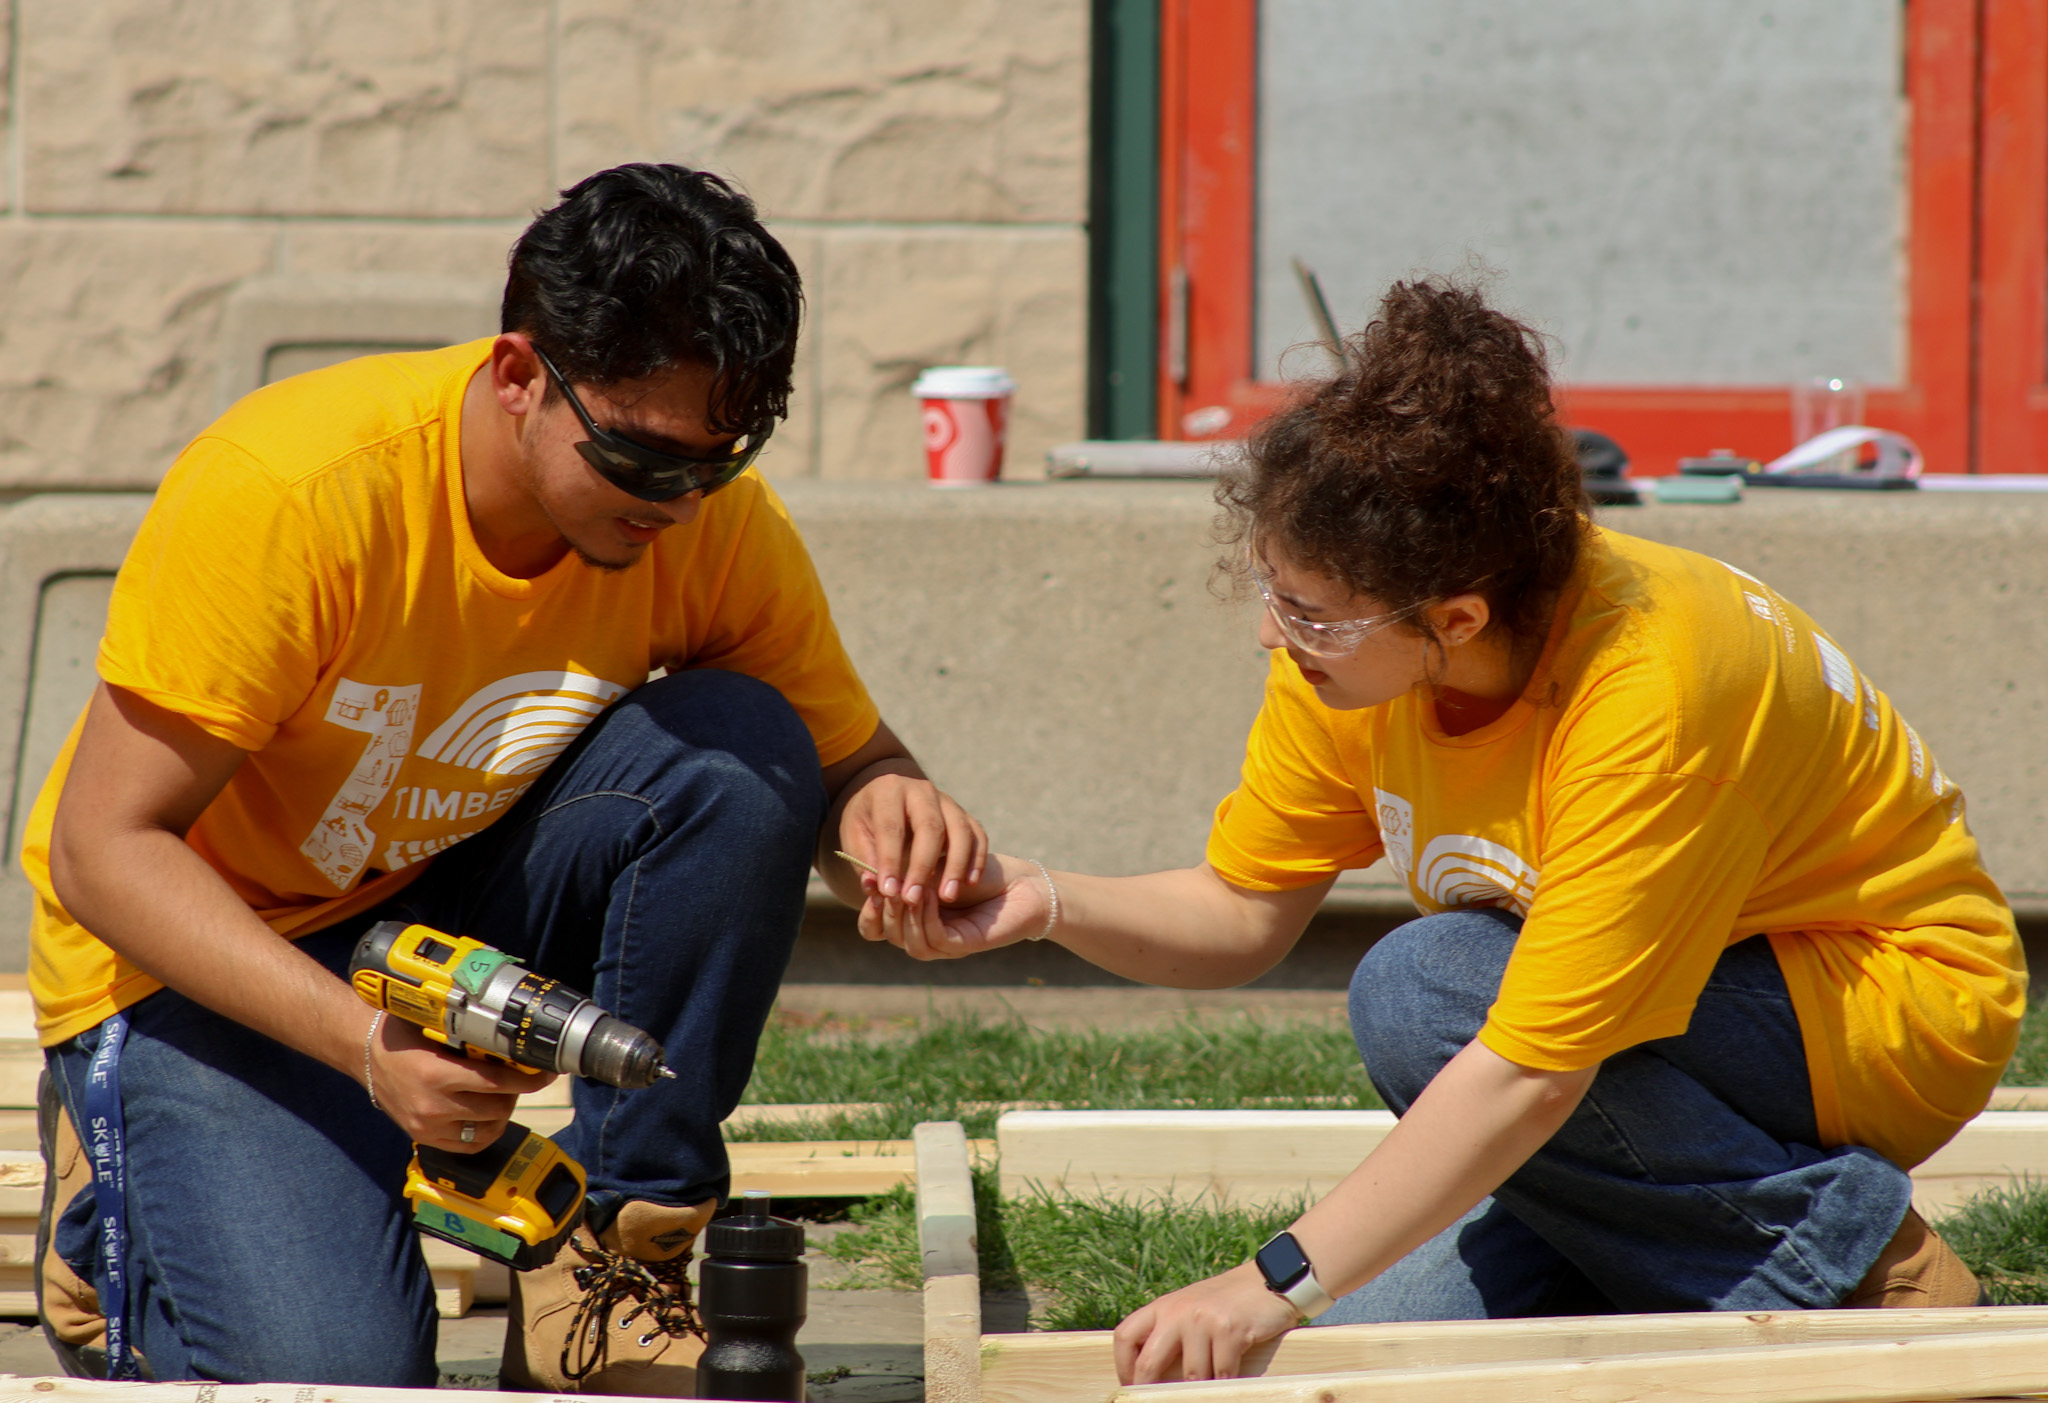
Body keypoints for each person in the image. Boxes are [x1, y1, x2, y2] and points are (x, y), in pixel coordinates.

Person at [877, 279, 2025, 1383]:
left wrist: (1264, 1275)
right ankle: (1670, 1260)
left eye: (1306, 611)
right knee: (1357, 1344)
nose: (1273, 637)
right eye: (1271, 590)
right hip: (1641, 1029)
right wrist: (1044, 897)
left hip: (1883, 1004)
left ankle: (1858, 1262)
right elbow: (1236, 914)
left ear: (1456, 615)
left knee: (1423, 986)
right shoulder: (1355, 662)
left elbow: (1528, 1069)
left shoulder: (1652, 688)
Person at [23, 163, 984, 1392]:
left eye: (719, 459)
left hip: (422, 903)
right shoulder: (292, 496)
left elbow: (848, 754)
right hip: (191, 962)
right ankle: (117, 1234)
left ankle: (613, 1263)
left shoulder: (706, 519)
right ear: (520, 373)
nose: (682, 505)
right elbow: (108, 850)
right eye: (642, 461)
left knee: (744, 753)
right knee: (336, 1377)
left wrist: (887, 808)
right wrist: (367, 1048)